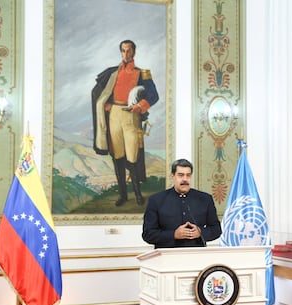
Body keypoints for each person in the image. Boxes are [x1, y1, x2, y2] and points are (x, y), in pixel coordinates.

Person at [91, 40, 159, 206]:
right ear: (121, 52)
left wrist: (140, 106)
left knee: (132, 156)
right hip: (114, 115)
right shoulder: (112, 72)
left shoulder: (143, 73)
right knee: (118, 156)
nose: (126, 54)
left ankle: (137, 194)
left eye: (129, 51)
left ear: (134, 52)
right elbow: (98, 91)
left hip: (131, 117)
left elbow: (154, 95)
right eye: (123, 51)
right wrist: (105, 103)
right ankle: (123, 195)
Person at [142, 159, 222, 248]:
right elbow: (148, 234)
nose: (185, 179)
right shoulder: (156, 200)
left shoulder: (205, 199)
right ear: (173, 176)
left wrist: (200, 232)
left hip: (197, 256)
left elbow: (216, 229)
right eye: (180, 175)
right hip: (167, 257)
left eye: (188, 175)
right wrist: (174, 235)